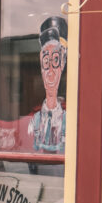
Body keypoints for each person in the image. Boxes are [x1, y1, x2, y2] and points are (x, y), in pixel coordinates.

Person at [28, 16, 67, 154]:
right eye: (46, 62)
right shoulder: (34, 119)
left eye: (55, 60)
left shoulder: (70, 118)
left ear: (62, 62)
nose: (50, 72)